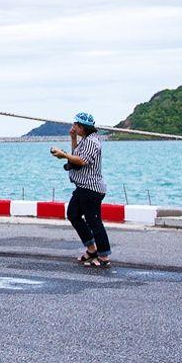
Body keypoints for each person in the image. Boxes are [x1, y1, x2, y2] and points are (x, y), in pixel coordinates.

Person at [50, 111, 112, 269]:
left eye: (75, 125)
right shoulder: (85, 140)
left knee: (94, 221)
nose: (73, 127)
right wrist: (72, 139)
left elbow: (82, 161)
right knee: (73, 214)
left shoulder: (92, 142)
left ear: (81, 127)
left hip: (91, 189)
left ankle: (104, 256)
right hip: (82, 187)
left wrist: (64, 155)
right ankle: (92, 249)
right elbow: (76, 155)